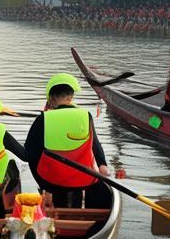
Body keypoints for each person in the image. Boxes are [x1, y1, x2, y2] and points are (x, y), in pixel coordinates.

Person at [24, 73, 111, 208]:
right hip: (83, 179)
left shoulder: (43, 119)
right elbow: (95, 144)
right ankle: (80, 212)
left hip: (52, 182)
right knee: (94, 187)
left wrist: (42, 181)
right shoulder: (85, 115)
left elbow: (28, 153)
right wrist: (102, 165)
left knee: (57, 183)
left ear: (52, 98)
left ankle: (54, 202)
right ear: (71, 96)